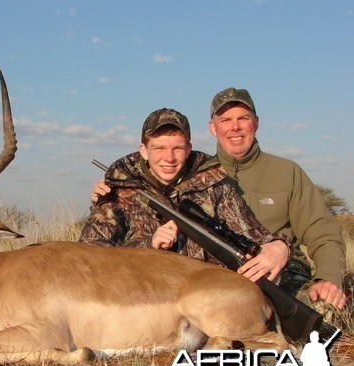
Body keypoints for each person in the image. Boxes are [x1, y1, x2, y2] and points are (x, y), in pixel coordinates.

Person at [80, 107, 291, 271]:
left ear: (189, 149)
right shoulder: (117, 189)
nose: (169, 158)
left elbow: (253, 235)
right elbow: (88, 254)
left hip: (209, 291)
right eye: (159, 148)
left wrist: (281, 246)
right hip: (142, 294)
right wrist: (148, 244)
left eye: (178, 148)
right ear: (144, 150)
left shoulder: (213, 184)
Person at [208, 87, 347, 312]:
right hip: (221, 276)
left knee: (325, 310)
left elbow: (323, 231)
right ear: (213, 128)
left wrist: (328, 279)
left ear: (256, 122)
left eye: (243, 118)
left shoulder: (287, 171)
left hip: (285, 273)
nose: (235, 127)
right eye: (225, 120)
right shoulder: (198, 175)